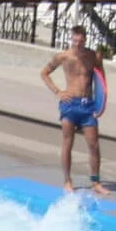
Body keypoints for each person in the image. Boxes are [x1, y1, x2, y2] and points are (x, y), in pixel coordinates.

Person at [39, 27, 108, 194]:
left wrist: (101, 104)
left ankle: (95, 182)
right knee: (67, 143)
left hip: (87, 105)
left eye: (81, 41)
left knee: (94, 145)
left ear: (85, 39)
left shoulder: (94, 56)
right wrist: (58, 92)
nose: (77, 44)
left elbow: (101, 81)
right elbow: (44, 73)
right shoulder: (63, 56)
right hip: (70, 105)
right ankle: (67, 181)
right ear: (71, 39)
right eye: (75, 40)